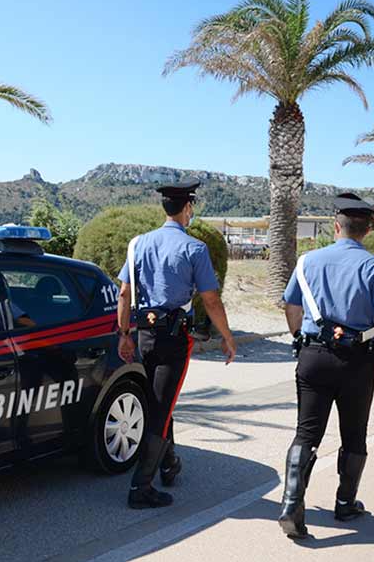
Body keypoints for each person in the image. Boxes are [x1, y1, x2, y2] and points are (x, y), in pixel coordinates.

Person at [278, 193, 374, 539]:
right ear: (367, 231)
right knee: (354, 433)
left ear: (336, 226)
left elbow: (290, 307)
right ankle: (345, 503)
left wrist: (300, 338)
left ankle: (292, 504)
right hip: (357, 363)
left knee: (306, 432)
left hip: (312, 356)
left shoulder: (307, 261)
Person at [117, 178, 237, 509]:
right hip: (173, 338)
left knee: (160, 401)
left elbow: (125, 293)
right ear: (187, 209)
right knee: (162, 407)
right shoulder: (194, 248)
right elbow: (211, 300)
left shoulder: (137, 244)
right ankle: (140, 487)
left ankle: (169, 464)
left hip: (144, 335)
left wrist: (124, 334)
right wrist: (227, 337)